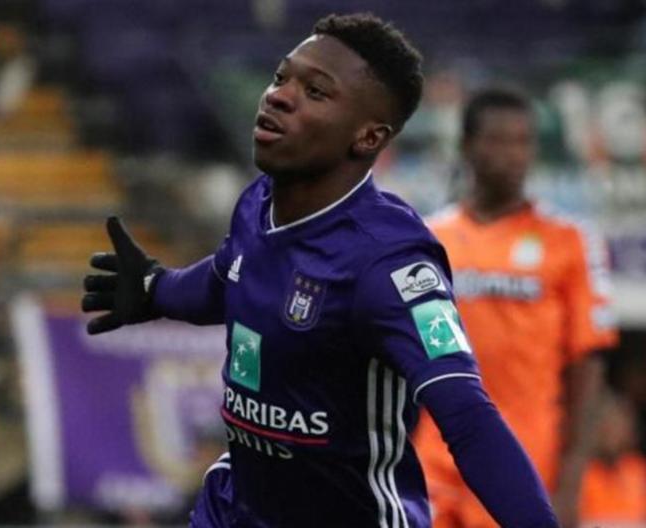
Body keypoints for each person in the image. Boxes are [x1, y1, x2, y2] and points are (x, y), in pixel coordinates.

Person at [82, 13, 556, 528]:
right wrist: (157, 289)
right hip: (234, 508)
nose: (278, 96)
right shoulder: (258, 203)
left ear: (367, 137)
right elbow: (227, 278)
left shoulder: (389, 263)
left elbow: (467, 417)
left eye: (315, 92)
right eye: (281, 77)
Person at [413, 86, 618, 527]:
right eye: (498, 140)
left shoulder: (570, 241)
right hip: (434, 463)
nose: (513, 155)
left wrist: (572, 479)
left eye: (523, 142)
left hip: (524, 464)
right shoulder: (428, 239)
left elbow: (588, 364)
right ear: (467, 146)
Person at [578, 392, 646, 524]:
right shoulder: (581, 472)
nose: (612, 433)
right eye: (606, 425)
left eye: (618, 425)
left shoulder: (638, 469)